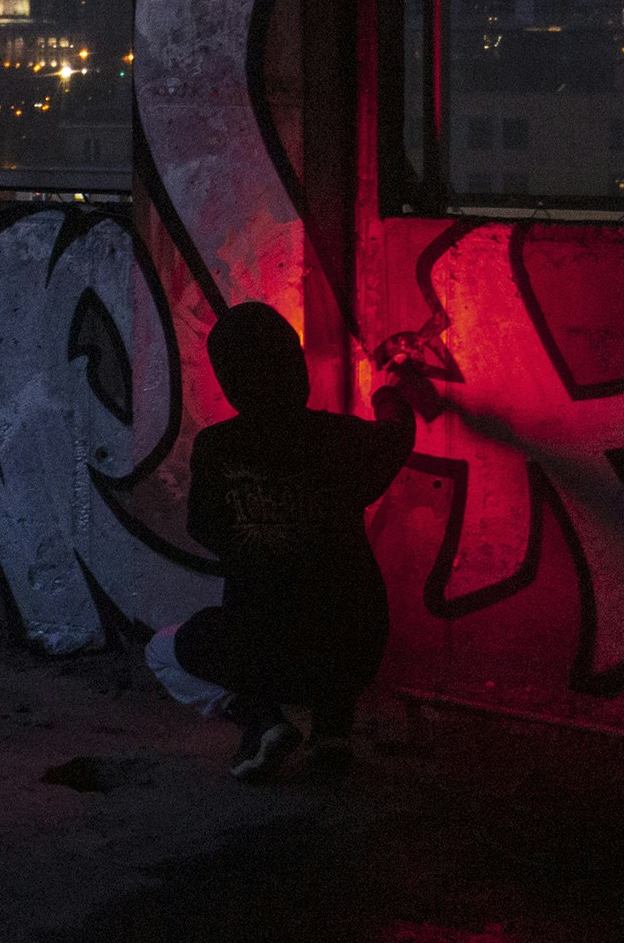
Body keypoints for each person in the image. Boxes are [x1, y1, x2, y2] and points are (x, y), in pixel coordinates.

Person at [148, 301, 428, 784]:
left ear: (230, 383)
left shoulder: (217, 447)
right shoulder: (339, 438)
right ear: (295, 365)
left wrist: (257, 542)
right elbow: (398, 434)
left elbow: (203, 527)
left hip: (270, 655)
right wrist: (390, 391)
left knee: (164, 648)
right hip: (357, 647)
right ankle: (331, 734)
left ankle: (263, 723)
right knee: (336, 604)